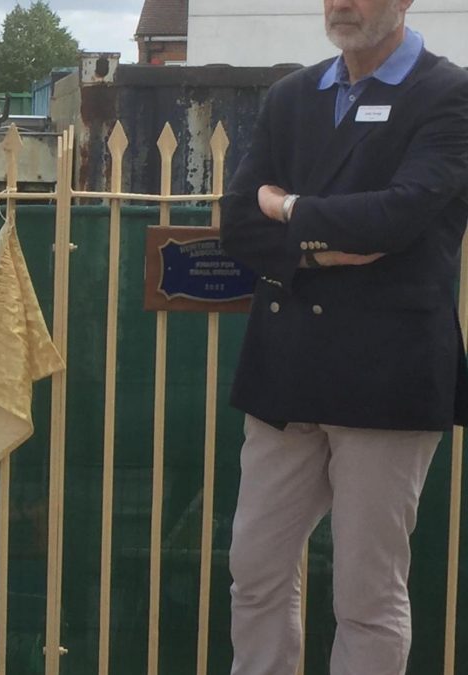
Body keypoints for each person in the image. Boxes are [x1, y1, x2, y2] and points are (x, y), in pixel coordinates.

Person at [219, 1, 468, 673]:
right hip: (285, 369)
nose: (345, 3)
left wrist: (291, 207)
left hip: (386, 374)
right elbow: (238, 222)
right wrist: (320, 250)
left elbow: (397, 216)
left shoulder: (450, 95)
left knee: (366, 592)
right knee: (256, 570)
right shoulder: (291, 96)